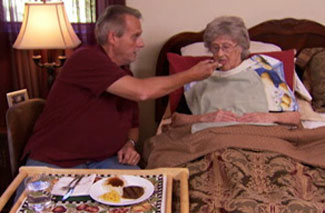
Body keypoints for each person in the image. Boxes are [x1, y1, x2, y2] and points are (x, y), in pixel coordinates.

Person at [22, 5, 218, 170]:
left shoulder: (125, 76)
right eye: (135, 36)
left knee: (145, 205)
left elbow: (133, 125)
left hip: (105, 161)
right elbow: (142, 91)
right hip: (55, 162)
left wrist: (130, 144)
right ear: (113, 37)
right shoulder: (86, 58)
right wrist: (191, 74)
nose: (141, 43)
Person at [168, 16, 300, 129]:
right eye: (215, 47)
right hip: (212, 139)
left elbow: (295, 118)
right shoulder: (201, 75)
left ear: (241, 47)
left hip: (261, 137)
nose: (220, 54)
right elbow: (176, 120)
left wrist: (267, 117)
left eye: (226, 47)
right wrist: (204, 118)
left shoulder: (263, 70)